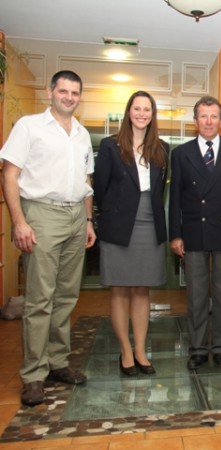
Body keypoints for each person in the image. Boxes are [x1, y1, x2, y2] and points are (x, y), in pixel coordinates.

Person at [0, 70, 96, 406]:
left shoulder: (82, 134)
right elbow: (9, 174)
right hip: (41, 213)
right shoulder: (28, 126)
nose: (69, 97)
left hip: (74, 217)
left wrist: (87, 220)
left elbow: (86, 180)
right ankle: (33, 375)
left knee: (66, 296)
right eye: (64, 91)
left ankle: (57, 362)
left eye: (75, 92)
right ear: (50, 91)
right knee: (40, 299)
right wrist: (19, 221)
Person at [94, 91, 169, 377]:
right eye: (136, 108)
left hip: (150, 223)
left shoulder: (162, 148)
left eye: (146, 109)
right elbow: (100, 188)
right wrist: (113, 213)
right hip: (119, 224)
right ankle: (125, 350)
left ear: (153, 114)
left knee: (141, 288)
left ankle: (140, 350)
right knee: (120, 288)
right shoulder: (111, 146)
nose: (141, 113)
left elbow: (161, 189)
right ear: (128, 112)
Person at [169, 95, 221, 370]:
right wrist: (175, 235)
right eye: (203, 115)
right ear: (195, 121)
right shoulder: (180, 154)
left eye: (214, 116)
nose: (209, 121)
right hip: (193, 232)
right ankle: (198, 348)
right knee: (197, 295)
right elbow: (175, 198)